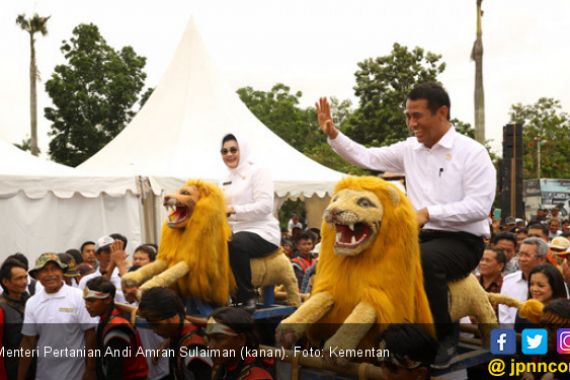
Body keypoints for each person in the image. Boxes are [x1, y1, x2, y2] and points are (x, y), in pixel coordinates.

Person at [316, 82, 496, 367]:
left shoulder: (472, 153)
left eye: (418, 116)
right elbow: (367, 157)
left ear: (442, 113)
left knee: (423, 261)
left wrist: (428, 213)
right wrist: (334, 134)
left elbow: (478, 207)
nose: (412, 123)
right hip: (419, 234)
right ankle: (385, 332)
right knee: (372, 259)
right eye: (408, 116)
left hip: (462, 241)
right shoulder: (409, 149)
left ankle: (444, 336)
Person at [220, 133, 281, 312]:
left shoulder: (258, 170)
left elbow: (265, 206)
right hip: (234, 231)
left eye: (233, 149)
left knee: (236, 243)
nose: (229, 154)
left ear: (243, 150)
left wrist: (234, 210)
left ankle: (247, 295)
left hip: (262, 231)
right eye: (224, 151)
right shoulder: (222, 177)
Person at [18, 253, 97, 380]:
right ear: (37, 276)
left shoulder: (78, 297)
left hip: (75, 374)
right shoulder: (32, 302)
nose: (50, 274)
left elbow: (90, 334)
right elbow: (28, 341)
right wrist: (20, 376)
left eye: (54, 269)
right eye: (44, 270)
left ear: (62, 272)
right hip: (44, 374)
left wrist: (91, 369)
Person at [138, 287, 212, 379]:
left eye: (156, 325)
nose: (154, 330)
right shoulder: (176, 335)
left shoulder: (193, 350)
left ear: (173, 318)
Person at [83, 277, 148, 380]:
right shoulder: (107, 317)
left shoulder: (117, 327)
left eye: (91, 301)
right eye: (86, 301)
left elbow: (115, 370)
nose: (87, 306)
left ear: (108, 300)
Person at [207, 307, 274, 380]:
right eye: (209, 339)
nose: (210, 346)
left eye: (219, 338)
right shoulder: (225, 366)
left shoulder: (256, 377)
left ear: (241, 339)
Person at [499, 237, 548, 324]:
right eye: (520, 254)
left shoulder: (554, 281)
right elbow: (504, 315)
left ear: (541, 259)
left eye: (527, 255)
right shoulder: (509, 281)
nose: (521, 259)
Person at [0, 258, 32, 380]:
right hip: (12, 369)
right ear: (6, 282)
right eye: (19, 278)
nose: (24, 282)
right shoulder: (1, 308)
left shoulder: (33, 302)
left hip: (36, 366)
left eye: (25, 277)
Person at [515, 263, 567, 332]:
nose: (534, 289)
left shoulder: (565, 314)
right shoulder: (524, 312)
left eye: (540, 285)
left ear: (554, 286)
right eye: (531, 284)